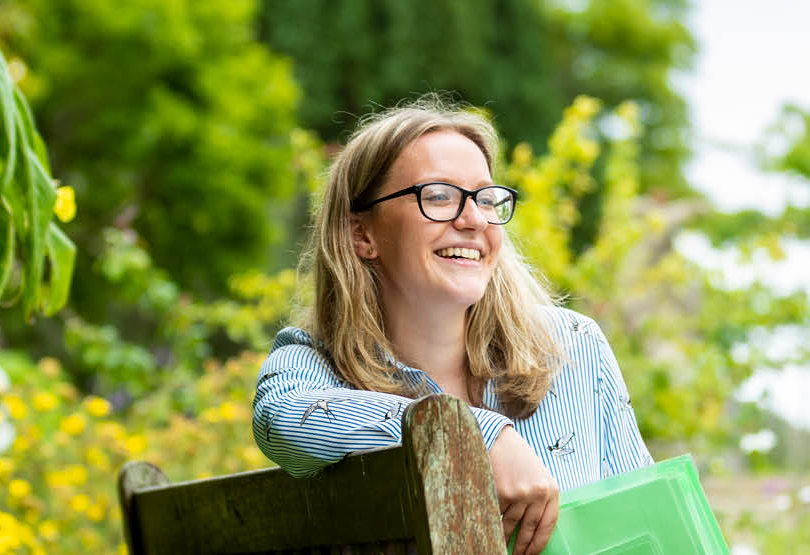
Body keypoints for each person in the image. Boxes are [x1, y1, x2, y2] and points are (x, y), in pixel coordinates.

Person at [251, 98, 653, 555]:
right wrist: (475, 434)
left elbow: (645, 521)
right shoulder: (310, 364)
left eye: (486, 198)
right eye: (439, 195)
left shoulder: (571, 346)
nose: (474, 219)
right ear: (362, 235)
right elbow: (281, 422)